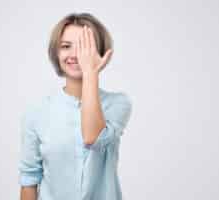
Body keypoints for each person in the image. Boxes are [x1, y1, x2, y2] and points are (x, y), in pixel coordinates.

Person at [19, 12, 133, 200]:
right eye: (66, 46)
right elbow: (29, 180)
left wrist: (90, 72)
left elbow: (92, 138)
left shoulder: (118, 104)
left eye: (84, 47)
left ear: (101, 53)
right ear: (56, 53)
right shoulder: (36, 113)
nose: (74, 54)